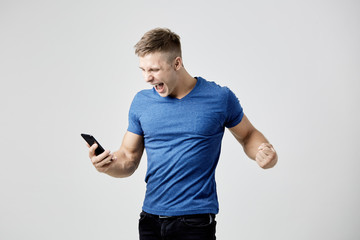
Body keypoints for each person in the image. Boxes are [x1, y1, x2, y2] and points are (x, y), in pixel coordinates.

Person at [87, 28, 278, 240]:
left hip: (194, 222)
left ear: (177, 63)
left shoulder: (219, 97)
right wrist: (107, 166)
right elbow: (128, 158)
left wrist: (263, 151)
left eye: (154, 70)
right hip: (150, 220)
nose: (146, 78)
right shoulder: (141, 102)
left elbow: (248, 135)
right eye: (142, 69)